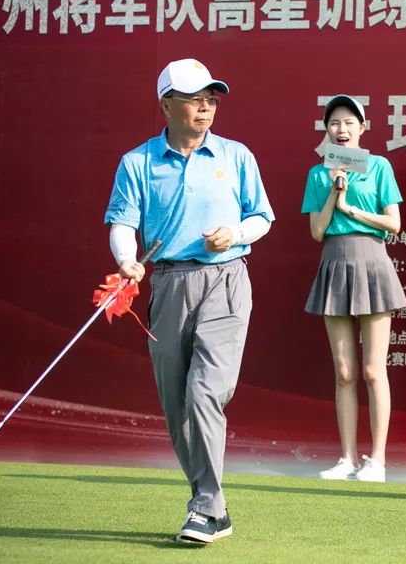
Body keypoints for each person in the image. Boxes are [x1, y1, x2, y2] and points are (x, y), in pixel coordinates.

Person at [104, 58, 274, 544]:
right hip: (168, 285)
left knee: (205, 392)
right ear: (166, 106)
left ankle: (205, 507)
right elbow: (122, 223)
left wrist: (235, 233)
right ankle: (212, 507)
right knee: (177, 405)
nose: (206, 107)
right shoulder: (138, 162)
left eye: (211, 98)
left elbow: (261, 217)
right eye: (195, 99)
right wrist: (127, 259)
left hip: (226, 281)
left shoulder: (235, 155)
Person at [302, 95, 406, 483]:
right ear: (326, 130)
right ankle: (346, 458)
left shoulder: (379, 166)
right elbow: (317, 231)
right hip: (334, 263)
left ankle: (377, 460)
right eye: (334, 123)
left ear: (362, 128)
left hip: (373, 264)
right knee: (344, 371)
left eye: (349, 123)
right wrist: (334, 192)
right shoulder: (318, 174)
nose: (341, 130)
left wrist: (351, 210)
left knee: (373, 370)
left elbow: (394, 223)